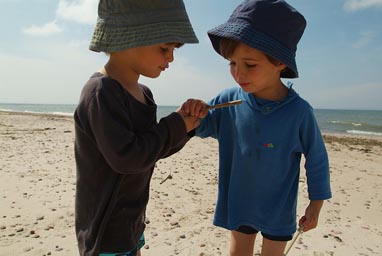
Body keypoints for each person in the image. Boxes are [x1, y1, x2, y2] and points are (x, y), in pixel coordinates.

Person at [181, 0, 332, 255]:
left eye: (250, 65)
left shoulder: (299, 112)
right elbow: (199, 126)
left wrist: (315, 206)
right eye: (232, 63)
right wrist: (192, 113)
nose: (239, 74)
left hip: (279, 208)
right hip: (239, 201)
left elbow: (317, 160)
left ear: (280, 62)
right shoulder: (228, 100)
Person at [73, 0, 199, 255]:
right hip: (105, 228)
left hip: (130, 221)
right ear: (130, 39)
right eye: (165, 48)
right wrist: (174, 125)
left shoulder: (144, 93)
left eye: (174, 49)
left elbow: (150, 150)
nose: (171, 58)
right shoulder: (102, 92)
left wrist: (186, 127)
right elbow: (127, 158)